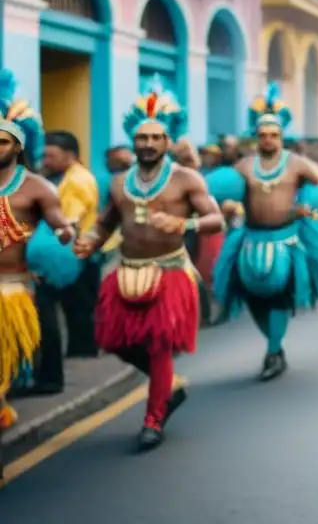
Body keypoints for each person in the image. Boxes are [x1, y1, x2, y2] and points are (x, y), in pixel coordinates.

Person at [73, 77, 224, 450]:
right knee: (114, 340)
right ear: (132, 140)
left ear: (169, 141)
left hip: (170, 272)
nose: (149, 144)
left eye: (157, 137)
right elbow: (107, 222)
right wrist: (91, 241)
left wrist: (182, 223)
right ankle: (168, 386)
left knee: (158, 347)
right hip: (126, 271)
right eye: (143, 137)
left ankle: (153, 418)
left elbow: (215, 220)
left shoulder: (186, 179)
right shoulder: (119, 181)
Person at [209, 84, 318, 380]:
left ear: (281, 136)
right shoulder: (244, 165)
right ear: (256, 137)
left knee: (279, 298)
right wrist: (226, 205)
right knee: (253, 298)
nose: (268, 140)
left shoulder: (297, 163)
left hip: (287, 241)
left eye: (273, 135)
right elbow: (223, 191)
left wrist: (307, 206)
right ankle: (273, 345)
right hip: (249, 240)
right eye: (263, 135)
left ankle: (273, 351)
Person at [0, 70, 79, 429]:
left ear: (17, 146)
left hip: (17, 291)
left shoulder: (37, 188)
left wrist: (64, 236)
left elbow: (60, 224)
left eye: (2, 142)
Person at [33, 131, 100, 395]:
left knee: (75, 311)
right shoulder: (62, 178)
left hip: (71, 255)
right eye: (45, 154)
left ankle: (75, 367)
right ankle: (76, 357)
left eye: (52, 155)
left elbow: (67, 221)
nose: (46, 160)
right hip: (68, 254)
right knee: (74, 311)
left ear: (69, 155)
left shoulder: (77, 181)